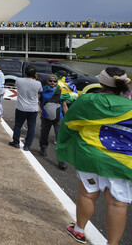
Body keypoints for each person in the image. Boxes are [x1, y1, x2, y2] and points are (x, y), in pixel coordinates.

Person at [57, 67, 132, 245]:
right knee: (118, 204)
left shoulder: (89, 100)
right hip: (123, 161)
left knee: (88, 195)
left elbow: (70, 123)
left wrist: (65, 144)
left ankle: (79, 230)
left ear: (102, 83)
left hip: (91, 155)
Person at [38, 74, 68, 170]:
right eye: (51, 81)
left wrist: (67, 117)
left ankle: (61, 160)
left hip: (58, 117)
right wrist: (39, 108)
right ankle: (43, 148)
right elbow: (37, 100)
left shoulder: (61, 91)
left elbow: (64, 105)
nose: (52, 83)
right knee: (44, 134)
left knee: (59, 137)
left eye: (54, 81)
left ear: (57, 82)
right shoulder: (43, 90)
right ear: (47, 81)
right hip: (46, 116)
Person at [8, 65, 41, 151]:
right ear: (35, 74)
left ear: (25, 73)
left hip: (21, 107)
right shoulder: (38, 83)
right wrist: (35, 78)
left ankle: (16, 142)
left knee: (18, 125)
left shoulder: (19, 81)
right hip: (33, 108)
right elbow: (39, 92)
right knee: (31, 127)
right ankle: (27, 145)